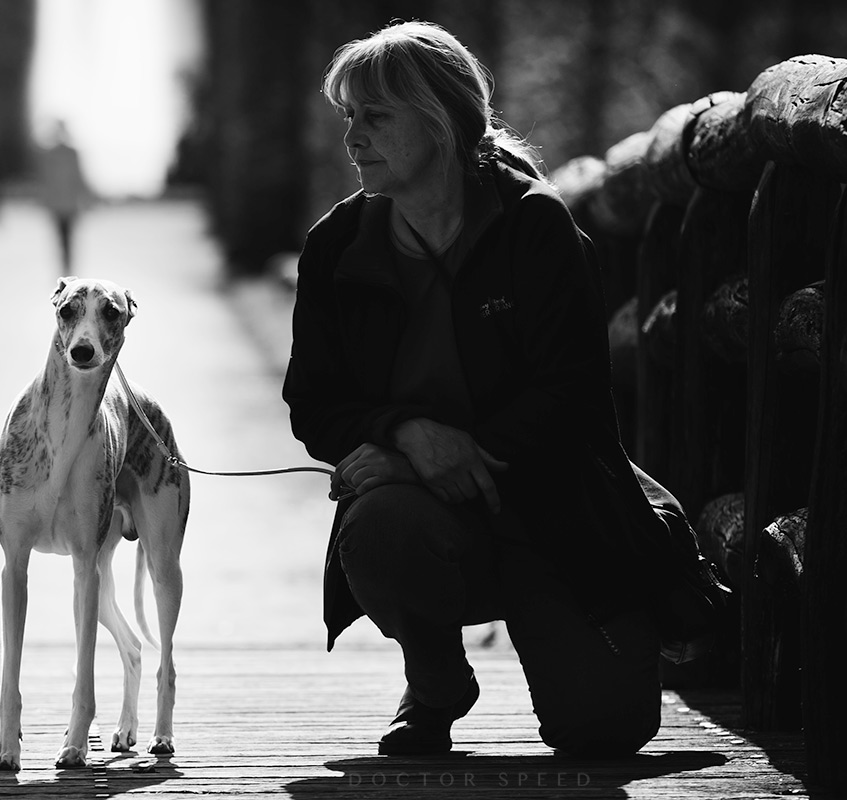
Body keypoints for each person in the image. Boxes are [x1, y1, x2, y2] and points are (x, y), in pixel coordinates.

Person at [282, 20, 712, 758]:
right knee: (379, 527)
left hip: (551, 507)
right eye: (349, 116)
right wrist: (404, 437)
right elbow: (314, 404)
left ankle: (595, 611)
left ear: (440, 121)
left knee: (605, 732)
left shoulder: (536, 226)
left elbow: (571, 395)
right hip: (424, 520)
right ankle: (437, 680)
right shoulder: (335, 246)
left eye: (376, 117)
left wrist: (453, 451)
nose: (354, 136)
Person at [38, 119, 93, 272]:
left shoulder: (72, 153)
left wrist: (86, 198)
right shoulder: (49, 155)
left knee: (69, 239)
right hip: (56, 205)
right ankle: (63, 268)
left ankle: (68, 269)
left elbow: (79, 177)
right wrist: (45, 200)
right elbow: (46, 180)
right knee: (60, 239)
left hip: (70, 205)